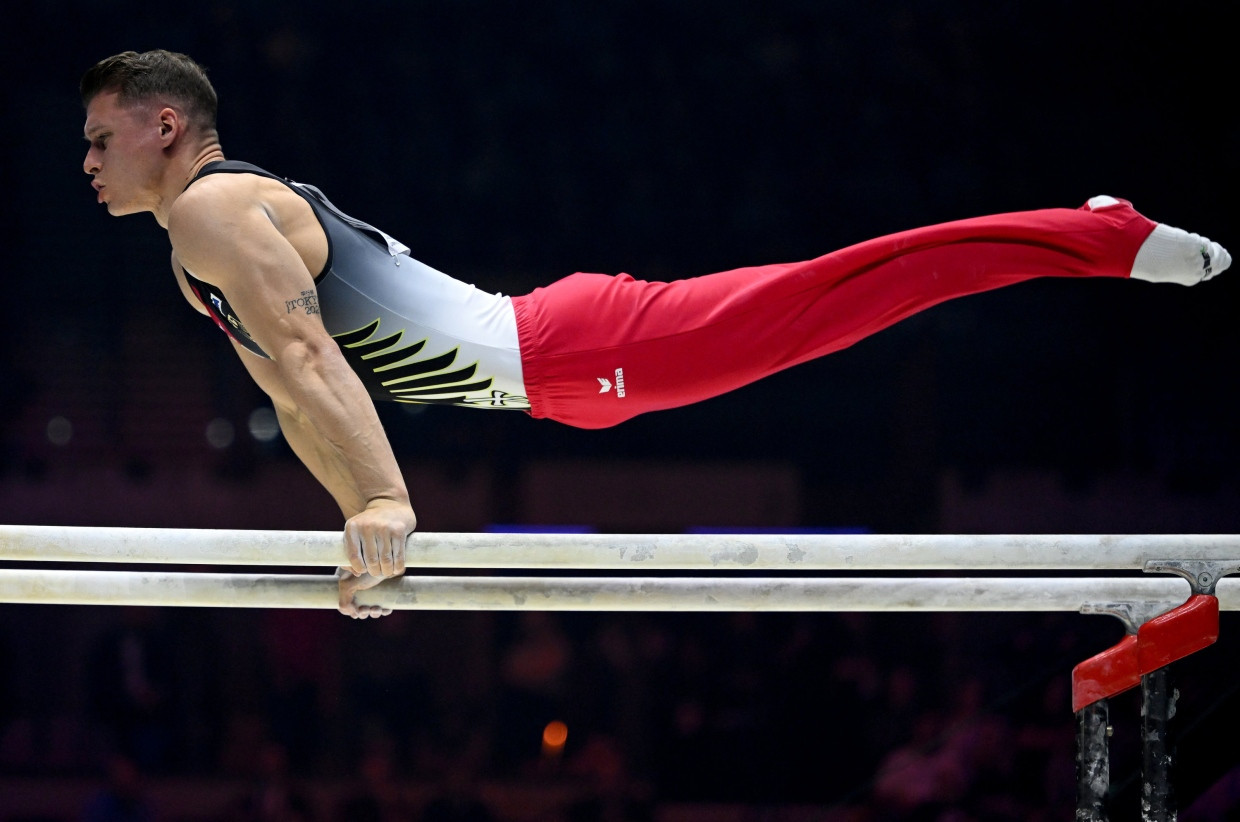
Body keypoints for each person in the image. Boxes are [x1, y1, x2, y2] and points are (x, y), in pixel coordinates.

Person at [79, 50, 1231, 618]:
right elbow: (292, 396)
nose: (85, 164)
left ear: (165, 126)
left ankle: (1098, 236)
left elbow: (322, 360)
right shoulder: (195, 261)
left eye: (99, 140)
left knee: (841, 297)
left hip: (572, 345)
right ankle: (1072, 235)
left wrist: (387, 508)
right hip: (563, 384)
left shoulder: (214, 211)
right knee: (833, 307)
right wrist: (363, 532)